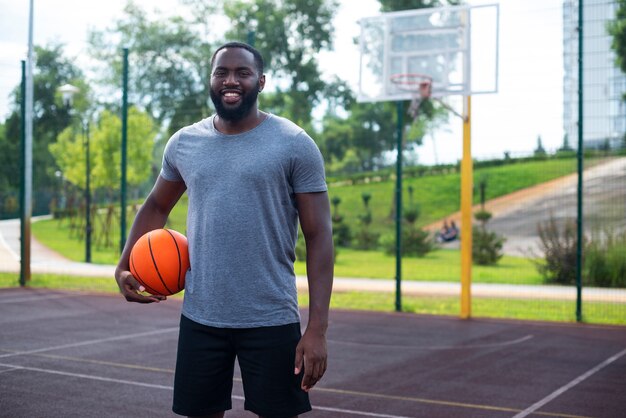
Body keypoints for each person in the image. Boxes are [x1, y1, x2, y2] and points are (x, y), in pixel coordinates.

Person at [114, 42, 334, 418]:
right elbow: (156, 205)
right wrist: (123, 266)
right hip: (201, 315)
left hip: (271, 317)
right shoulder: (185, 143)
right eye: (221, 72)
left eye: (242, 73)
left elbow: (319, 236)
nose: (231, 80)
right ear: (211, 80)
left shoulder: (294, 144)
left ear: (260, 81)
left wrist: (317, 329)